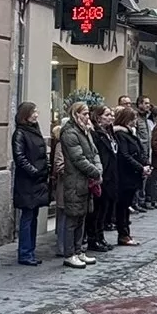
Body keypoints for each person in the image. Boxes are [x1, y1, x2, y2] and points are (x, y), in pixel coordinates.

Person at [56, 106, 102, 267]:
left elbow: (94, 152)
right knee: (72, 219)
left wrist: (98, 169)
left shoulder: (85, 131)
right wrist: (94, 171)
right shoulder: (70, 133)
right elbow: (78, 158)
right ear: (76, 115)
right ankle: (69, 253)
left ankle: (78, 250)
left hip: (85, 181)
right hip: (74, 181)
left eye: (88, 113)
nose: (87, 116)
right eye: (84, 113)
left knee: (82, 216)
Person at [6, 101, 51, 267]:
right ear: (26, 114)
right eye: (34, 112)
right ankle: (25, 252)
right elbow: (20, 158)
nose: (36, 114)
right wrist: (34, 172)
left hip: (37, 180)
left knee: (33, 217)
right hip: (28, 181)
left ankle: (30, 250)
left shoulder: (34, 130)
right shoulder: (20, 133)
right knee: (27, 217)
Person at [107, 106, 147, 244]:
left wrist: (145, 164)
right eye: (133, 118)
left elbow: (138, 151)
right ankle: (123, 234)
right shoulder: (121, 135)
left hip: (132, 175)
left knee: (126, 205)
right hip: (125, 176)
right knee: (122, 206)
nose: (135, 121)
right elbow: (125, 155)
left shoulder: (130, 134)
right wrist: (141, 167)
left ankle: (126, 233)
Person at [87, 102, 119, 251]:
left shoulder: (110, 133)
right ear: (98, 118)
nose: (110, 118)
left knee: (104, 209)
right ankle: (94, 238)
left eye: (111, 115)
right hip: (101, 175)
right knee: (97, 210)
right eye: (107, 115)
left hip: (111, 175)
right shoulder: (96, 135)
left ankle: (101, 237)